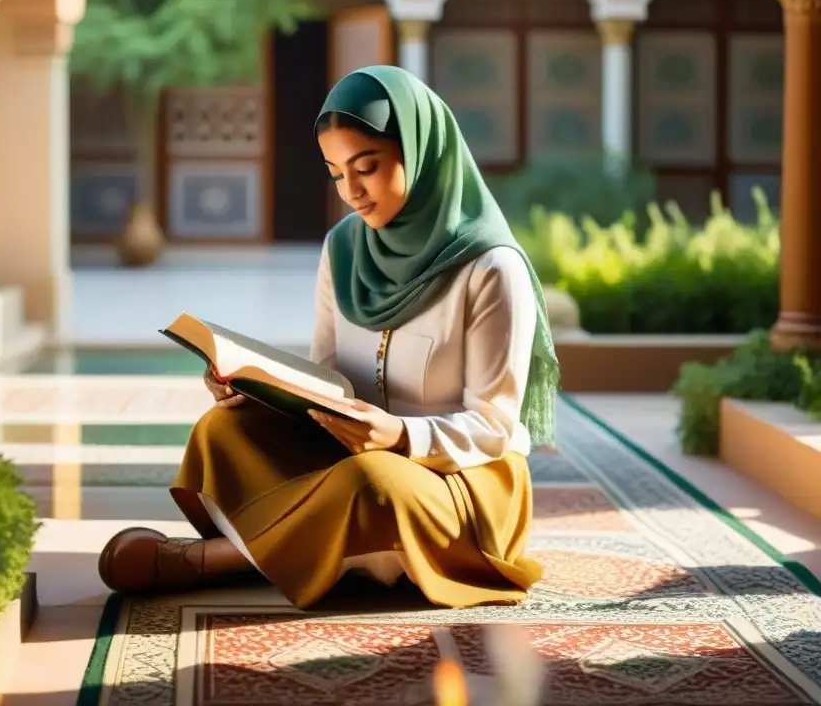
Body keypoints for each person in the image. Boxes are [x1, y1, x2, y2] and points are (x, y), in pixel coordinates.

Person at [97, 65, 560, 610]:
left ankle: (212, 560)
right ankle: (314, 546)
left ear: (422, 151)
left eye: (367, 167)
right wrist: (255, 388)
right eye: (337, 173)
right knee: (224, 429)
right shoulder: (343, 248)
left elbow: (493, 429)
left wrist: (400, 435)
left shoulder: (490, 268)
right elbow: (328, 381)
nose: (352, 193)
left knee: (373, 482)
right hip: (349, 456)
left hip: (458, 486)